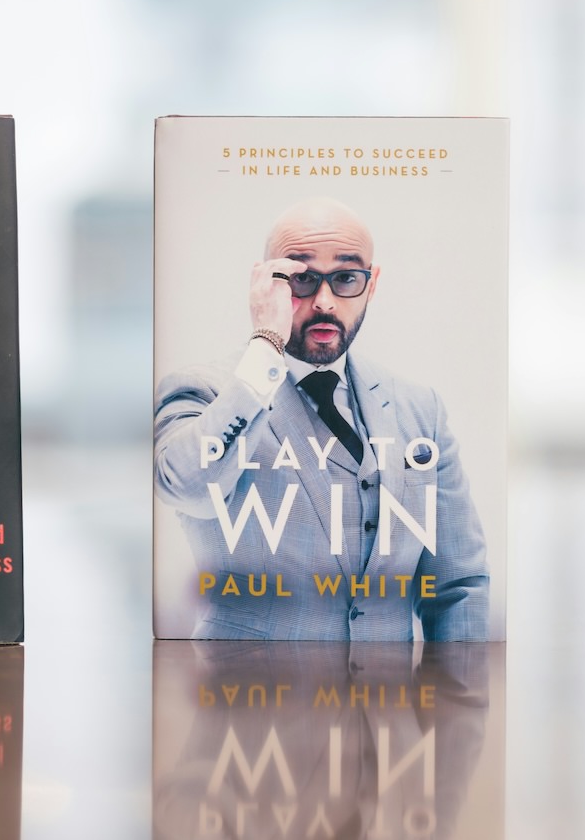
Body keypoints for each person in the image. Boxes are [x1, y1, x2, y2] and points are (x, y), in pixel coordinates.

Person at [154, 197, 489, 642]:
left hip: (388, 707)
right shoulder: (204, 391)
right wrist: (266, 344)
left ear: (371, 285)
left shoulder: (418, 407)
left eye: (346, 278)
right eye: (301, 279)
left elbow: (458, 584)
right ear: (266, 284)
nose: (325, 301)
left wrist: (458, 705)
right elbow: (189, 488)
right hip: (248, 704)